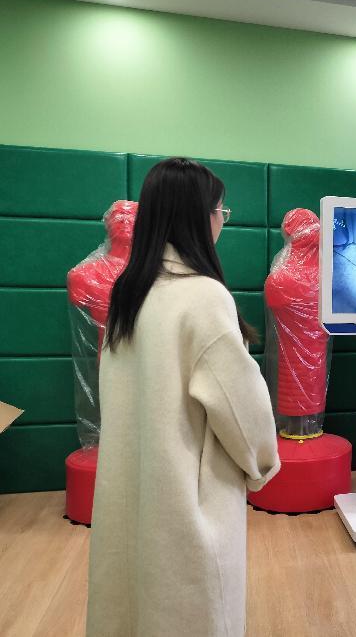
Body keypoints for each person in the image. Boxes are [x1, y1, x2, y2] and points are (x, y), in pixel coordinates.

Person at [87, 158, 280, 636]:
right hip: (187, 504)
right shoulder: (203, 297)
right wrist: (262, 464)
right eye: (220, 211)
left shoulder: (128, 295)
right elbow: (241, 408)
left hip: (131, 495)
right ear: (199, 217)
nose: (222, 221)